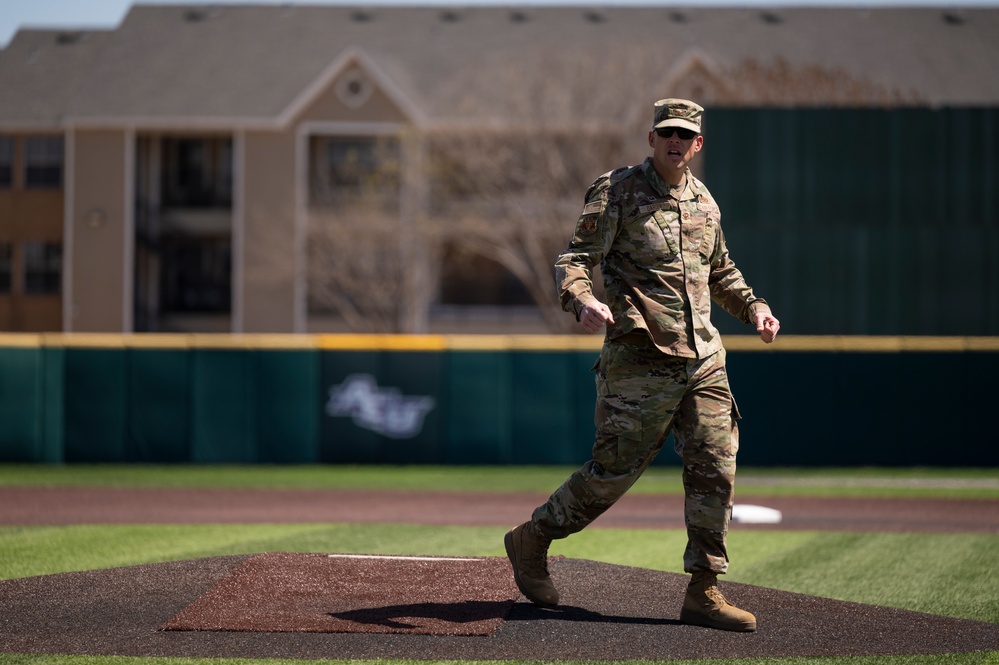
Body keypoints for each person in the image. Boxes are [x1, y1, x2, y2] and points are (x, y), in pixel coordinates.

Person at [504, 98, 780, 633]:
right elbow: (575, 261)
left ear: (698, 145)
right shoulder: (617, 192)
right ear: (651, 139)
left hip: (703, 359)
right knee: (611, 476)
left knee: (715, 468)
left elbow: (720, 272)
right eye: (667, 133)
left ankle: (703, 590)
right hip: (640, 360)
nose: (675, 142)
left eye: (686, 135)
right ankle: (533, 538)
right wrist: (582, 301)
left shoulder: (704, 201)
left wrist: (756, 308)